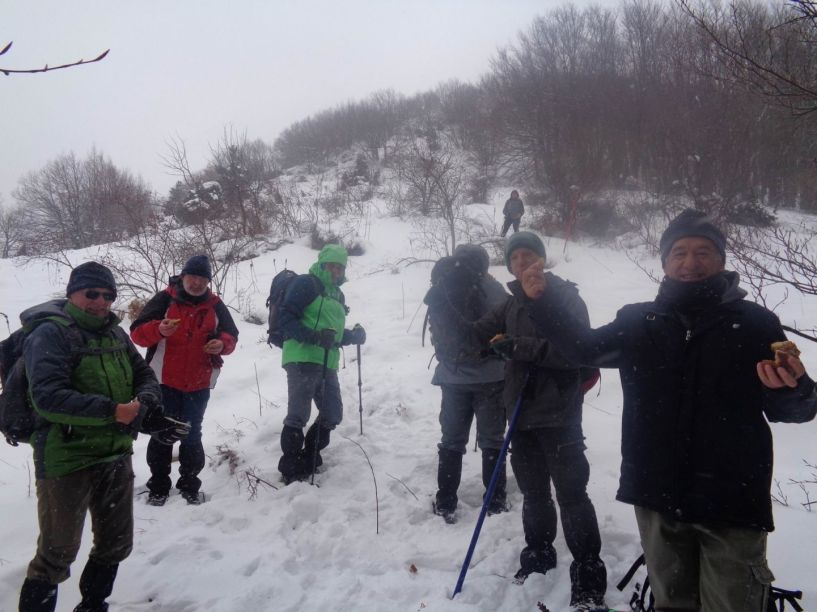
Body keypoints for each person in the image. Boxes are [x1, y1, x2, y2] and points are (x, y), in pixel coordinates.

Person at [520, 209, 817, 611]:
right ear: (663, 263)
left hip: (732, 498)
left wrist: (795, 389)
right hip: (657, 492)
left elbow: (792, 410)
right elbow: (583, 349)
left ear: (721, 261)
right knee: (671, 603)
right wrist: (541, 300)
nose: (690, 263)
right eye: (679, 253)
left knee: (733, 605)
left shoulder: (755, 324)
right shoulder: (639, 321)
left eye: (703, 252)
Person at [18, 261, 189, 612]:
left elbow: (143, 373)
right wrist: (112, 411)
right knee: (56, 554)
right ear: (72, 294)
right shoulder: (49, 333)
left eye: (107, 295)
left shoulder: (114, 332)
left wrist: (145, 405)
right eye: (91, 293)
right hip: (67, 459)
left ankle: (93, 606)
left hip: (114, 453)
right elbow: (48, 397)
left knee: (116, 543)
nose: (100, 301)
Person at [468, 232, 607, 609]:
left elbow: (576, 352)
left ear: (542, 260)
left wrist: (517, 347)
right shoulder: (511, 303)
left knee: (572, 495)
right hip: (521, 415)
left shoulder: (565, 295)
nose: (521, 263)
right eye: (514, 258)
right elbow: (479, 332)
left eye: (528, 256)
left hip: (558, 413)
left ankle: (589, 577)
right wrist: (462, 306)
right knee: (533, 493)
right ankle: (538, 557)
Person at [131, 254, 239, 505]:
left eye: (203, 278)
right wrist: (158, 329)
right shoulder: (165, 299)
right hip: (163, 381)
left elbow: (231, 335)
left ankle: (190, 485)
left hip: (199, 382)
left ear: (208, 282)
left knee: (191, 433)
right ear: (183, 276)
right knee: (162, 432)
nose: (197, 283)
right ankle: (158, 486)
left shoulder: (214, 305)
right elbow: (137, 333)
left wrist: (221, 343)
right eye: (193, 277)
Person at [424, 244, 509, 523]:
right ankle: (495, 501)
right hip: (491, 377)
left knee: (451, 442)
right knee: (492, 442)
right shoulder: (492, 289)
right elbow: (511, 322)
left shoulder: (442, 285)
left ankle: (446, 501)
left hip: (452, 375)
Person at [276, 244, 366, 483]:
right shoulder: (306, 283)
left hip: (327, 361)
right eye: (332, 265)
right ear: (322, 264)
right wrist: (313, 336)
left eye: (340, 267)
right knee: (298, 415)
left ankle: (309, 455)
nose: (336, 270)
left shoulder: (338, 294)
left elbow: (332, 334)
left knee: (332, 413)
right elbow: (285, 318)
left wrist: (351, 336)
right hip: (302, 357)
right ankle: (291, 468)